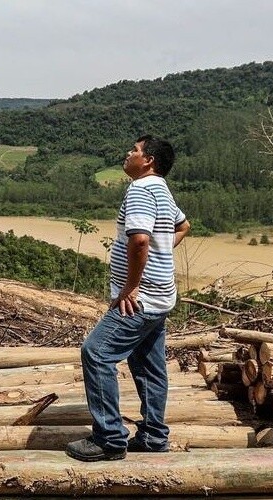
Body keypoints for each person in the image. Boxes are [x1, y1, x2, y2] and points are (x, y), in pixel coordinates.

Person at [65, 135, 191, 462]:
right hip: (162, 297)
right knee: (149, 365)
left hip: (140, 298)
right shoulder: (162, 190)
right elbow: (183, 226)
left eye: (134, 150)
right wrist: (162, 253)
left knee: (96, 352)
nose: (128, 153)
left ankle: (109, 438)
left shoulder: (140, 190)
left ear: (148, 160)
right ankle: (153, 437)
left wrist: (130, 287)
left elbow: (138, 242)